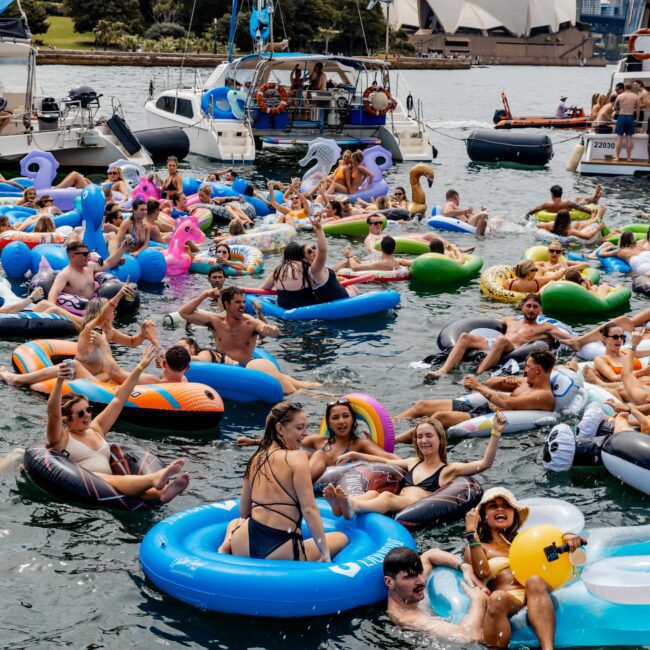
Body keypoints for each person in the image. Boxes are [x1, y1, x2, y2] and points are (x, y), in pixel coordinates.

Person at [44, 345, 189, 503]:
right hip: (88, 484)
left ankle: (160, 494)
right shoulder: (61, 439)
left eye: (89, 409)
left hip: (111, 488)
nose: (87, 415)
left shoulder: (96, 429)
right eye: (80, 413)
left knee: (120, 483)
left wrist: (140, 366)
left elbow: (119, 398)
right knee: (103, 478)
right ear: (67, 420)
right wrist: (59, 381)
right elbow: (53, 414)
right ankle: (154, 479)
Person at [218, 402, 348, 561]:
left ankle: (227, 543)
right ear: (280, 428)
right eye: (299, 428)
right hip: (281, 546)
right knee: (341, 538)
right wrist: (324, 553)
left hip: (243, 543)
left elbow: (244, 512)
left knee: (236, 522)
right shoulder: (297, 458)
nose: (305, 433)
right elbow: (309, 509)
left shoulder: (256, 458)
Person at [464, 487, 584, 649]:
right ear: (483, 517)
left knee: (533, 580)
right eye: (493, 506)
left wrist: (567, 536)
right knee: (497, 597)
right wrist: (471, 533)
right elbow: (482, 571)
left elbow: (551, 542)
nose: (500, 508)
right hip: (510, 597)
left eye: (506, 505)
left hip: (537, 590)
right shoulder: (480, 546)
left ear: (514, 514)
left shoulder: (527, 539)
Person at [323, 412, 503, 518]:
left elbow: (485, 464)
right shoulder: (413, 462)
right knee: (371, 492)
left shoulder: (448, 470)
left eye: (429, 436)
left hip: (410, 506)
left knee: (386, 497)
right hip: (398, 501)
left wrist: (495, 432)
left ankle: (350, 505)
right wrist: (355, 454)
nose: (423, 441)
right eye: (419, 437)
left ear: (440, 440)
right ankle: (341, 507)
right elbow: (385, 461)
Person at [178, 286, 319, 394]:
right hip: (224, 366)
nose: (242, 305)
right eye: (237, 302)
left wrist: (272, 330)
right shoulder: (215, 321)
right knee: (298, 385)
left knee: (302, 388)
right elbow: (184, 312)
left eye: (244, 302)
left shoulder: (250, 323)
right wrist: (205, 294)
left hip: (247, 367)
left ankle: (323, 392)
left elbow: (269, 330)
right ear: (226, 304)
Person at [237, 398, 399, 481]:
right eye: (335, 417)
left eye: (345, 416)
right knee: (305, 454)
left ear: (352, 420)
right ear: (329, 423)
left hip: (333, 482)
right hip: (311, 478)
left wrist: (358, 455)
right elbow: (285, 441)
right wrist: (253, 442)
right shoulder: (319, 441)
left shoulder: (360, 444)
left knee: (319, 455)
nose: (341, 421)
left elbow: (393, 460)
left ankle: (292, 483)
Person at [424, 293, 572, 378]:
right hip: (494, 343)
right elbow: (486, 323)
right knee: (464, 337)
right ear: (522, 307)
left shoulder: (544, 327)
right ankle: (442, 371)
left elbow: (568, 339)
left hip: (512, 348)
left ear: (540, 309)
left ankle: (476, 375)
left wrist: (584, 340)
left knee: (501, 340)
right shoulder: (510, 320)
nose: (531, 310)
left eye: (535, 307)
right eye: (528, 306)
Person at [397, 350, 557, 428]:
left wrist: (477, 386)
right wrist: (503, 380)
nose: (524, 370)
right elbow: (491, 383)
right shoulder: (526, 381)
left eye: (527, 367)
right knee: (422, 405)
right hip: (486, 406)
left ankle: (395, 440)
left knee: (439, 417)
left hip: (490, 415)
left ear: (538, 370)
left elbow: (509, 404)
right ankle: (391, 424)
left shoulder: (543, 396)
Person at [383, 546, 487, 643]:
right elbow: (467, 637)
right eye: (409, 577)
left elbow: (430, 554)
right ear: (389, 582)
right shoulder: (408, 619)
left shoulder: (409, 586)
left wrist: (463, 566)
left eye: (420, 572)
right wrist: (478, 602)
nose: (420, 581)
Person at [259, 214, 355, 308]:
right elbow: (323, 252)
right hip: (318, 307)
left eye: (313, 248)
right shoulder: (309, 270)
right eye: (309, 251)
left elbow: (261, 290)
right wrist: (319, 229)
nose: (313, 252)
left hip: (284, 308)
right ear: (301, 256)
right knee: (353, 288)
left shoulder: (277, 271)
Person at [47, 240, 127, 310]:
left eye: (88, 253)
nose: (88, 256)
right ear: (73, 256)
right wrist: (53, 310)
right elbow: (54, 291)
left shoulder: (90, 266)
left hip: (94, 308)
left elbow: (108, 263)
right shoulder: (65, 274)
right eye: (85, 254)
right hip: (78, 312)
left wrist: (122, 248)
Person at [336, 235, 412, 273]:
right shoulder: (397, 261)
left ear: (380, 249)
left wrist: (349, 255)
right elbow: (407, 262)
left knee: (346, 262)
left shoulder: (383, 263)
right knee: (355, 259)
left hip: (379, 286)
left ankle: (330, 272)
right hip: (390, 283)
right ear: (395, 250)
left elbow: (356, 268)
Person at [537, 206, 605, 242]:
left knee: (578, 224)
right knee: (581, 225)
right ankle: (596, 218)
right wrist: (598, 228)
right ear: (568, 220)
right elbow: (588, 236)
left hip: (563, 236)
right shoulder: (570, 231)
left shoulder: (551, 225)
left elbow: (538, 225)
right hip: (573, 241)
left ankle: (592, 219)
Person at [527, 184, 599, 217]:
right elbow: (582, 209)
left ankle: (595, 197)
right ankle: (594, 196)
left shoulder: (546, 204)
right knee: (583, 200)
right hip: (570, 208)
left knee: (576, 199)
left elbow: (533, 211)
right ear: (561, 193)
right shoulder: (568, 203)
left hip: (554, 213)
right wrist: (595, 213)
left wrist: (526, 216)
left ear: (552, 194)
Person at [613, 82, 640, 162]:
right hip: (630, 116)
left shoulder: (620, 96)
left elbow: (614, 107)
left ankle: (617, 157)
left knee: (619, 138)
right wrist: (637, 119)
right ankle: (628, 158)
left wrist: (620, 107)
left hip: (621, 116)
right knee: (629, 139)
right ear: (631, 88)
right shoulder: (636, 96)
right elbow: (638, 110)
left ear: (624, 88)